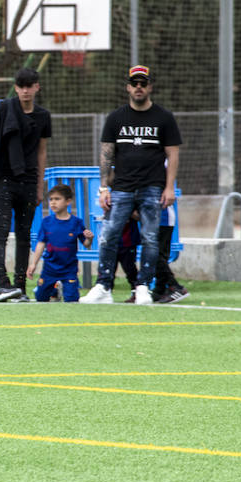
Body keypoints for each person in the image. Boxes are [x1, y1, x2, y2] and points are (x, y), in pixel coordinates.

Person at [82, 65, 181, 305]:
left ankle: (143, 287)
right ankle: (103, 286)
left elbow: (174, 154)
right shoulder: (116, 117)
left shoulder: (164, 117)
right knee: (108, 236)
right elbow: (106, 154)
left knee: (149, 238)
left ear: (149, 87)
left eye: (143, 83)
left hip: (152, 188)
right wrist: (104, 187)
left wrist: (169, 187)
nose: (139, 87)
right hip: (122, 188)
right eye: (134, 83)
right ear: (127, 87)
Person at [0, 66, 51, 302]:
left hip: (29, 182)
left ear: (37, 87)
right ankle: (1, 284)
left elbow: (41, 152)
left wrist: (40, 186)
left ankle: (20, 286)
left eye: (29, 86)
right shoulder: (4, 108)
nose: (25, 91)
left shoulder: (42, 116)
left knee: (24, 234)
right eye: (21, 86)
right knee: (1, 231)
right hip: (3, 178)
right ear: (16, 87)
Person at [29, 184, 92, 302]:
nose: (53, 203)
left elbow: (86, 244)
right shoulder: (46, 222)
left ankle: (63, 287)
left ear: (68, 201)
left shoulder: (76, 222)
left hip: (69, 269)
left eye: (57, 199)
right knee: (41, 298)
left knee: (71, 299)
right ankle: (55, 290)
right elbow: (41, 244)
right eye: (51, 199)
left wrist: (90, 238)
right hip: (50, 268)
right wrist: (33, 264)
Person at [150, 200, 189, 303]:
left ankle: (175, 286)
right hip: (154, 215)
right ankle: (160, 289)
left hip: (162, 217)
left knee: (154, 253)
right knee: (158, 254)